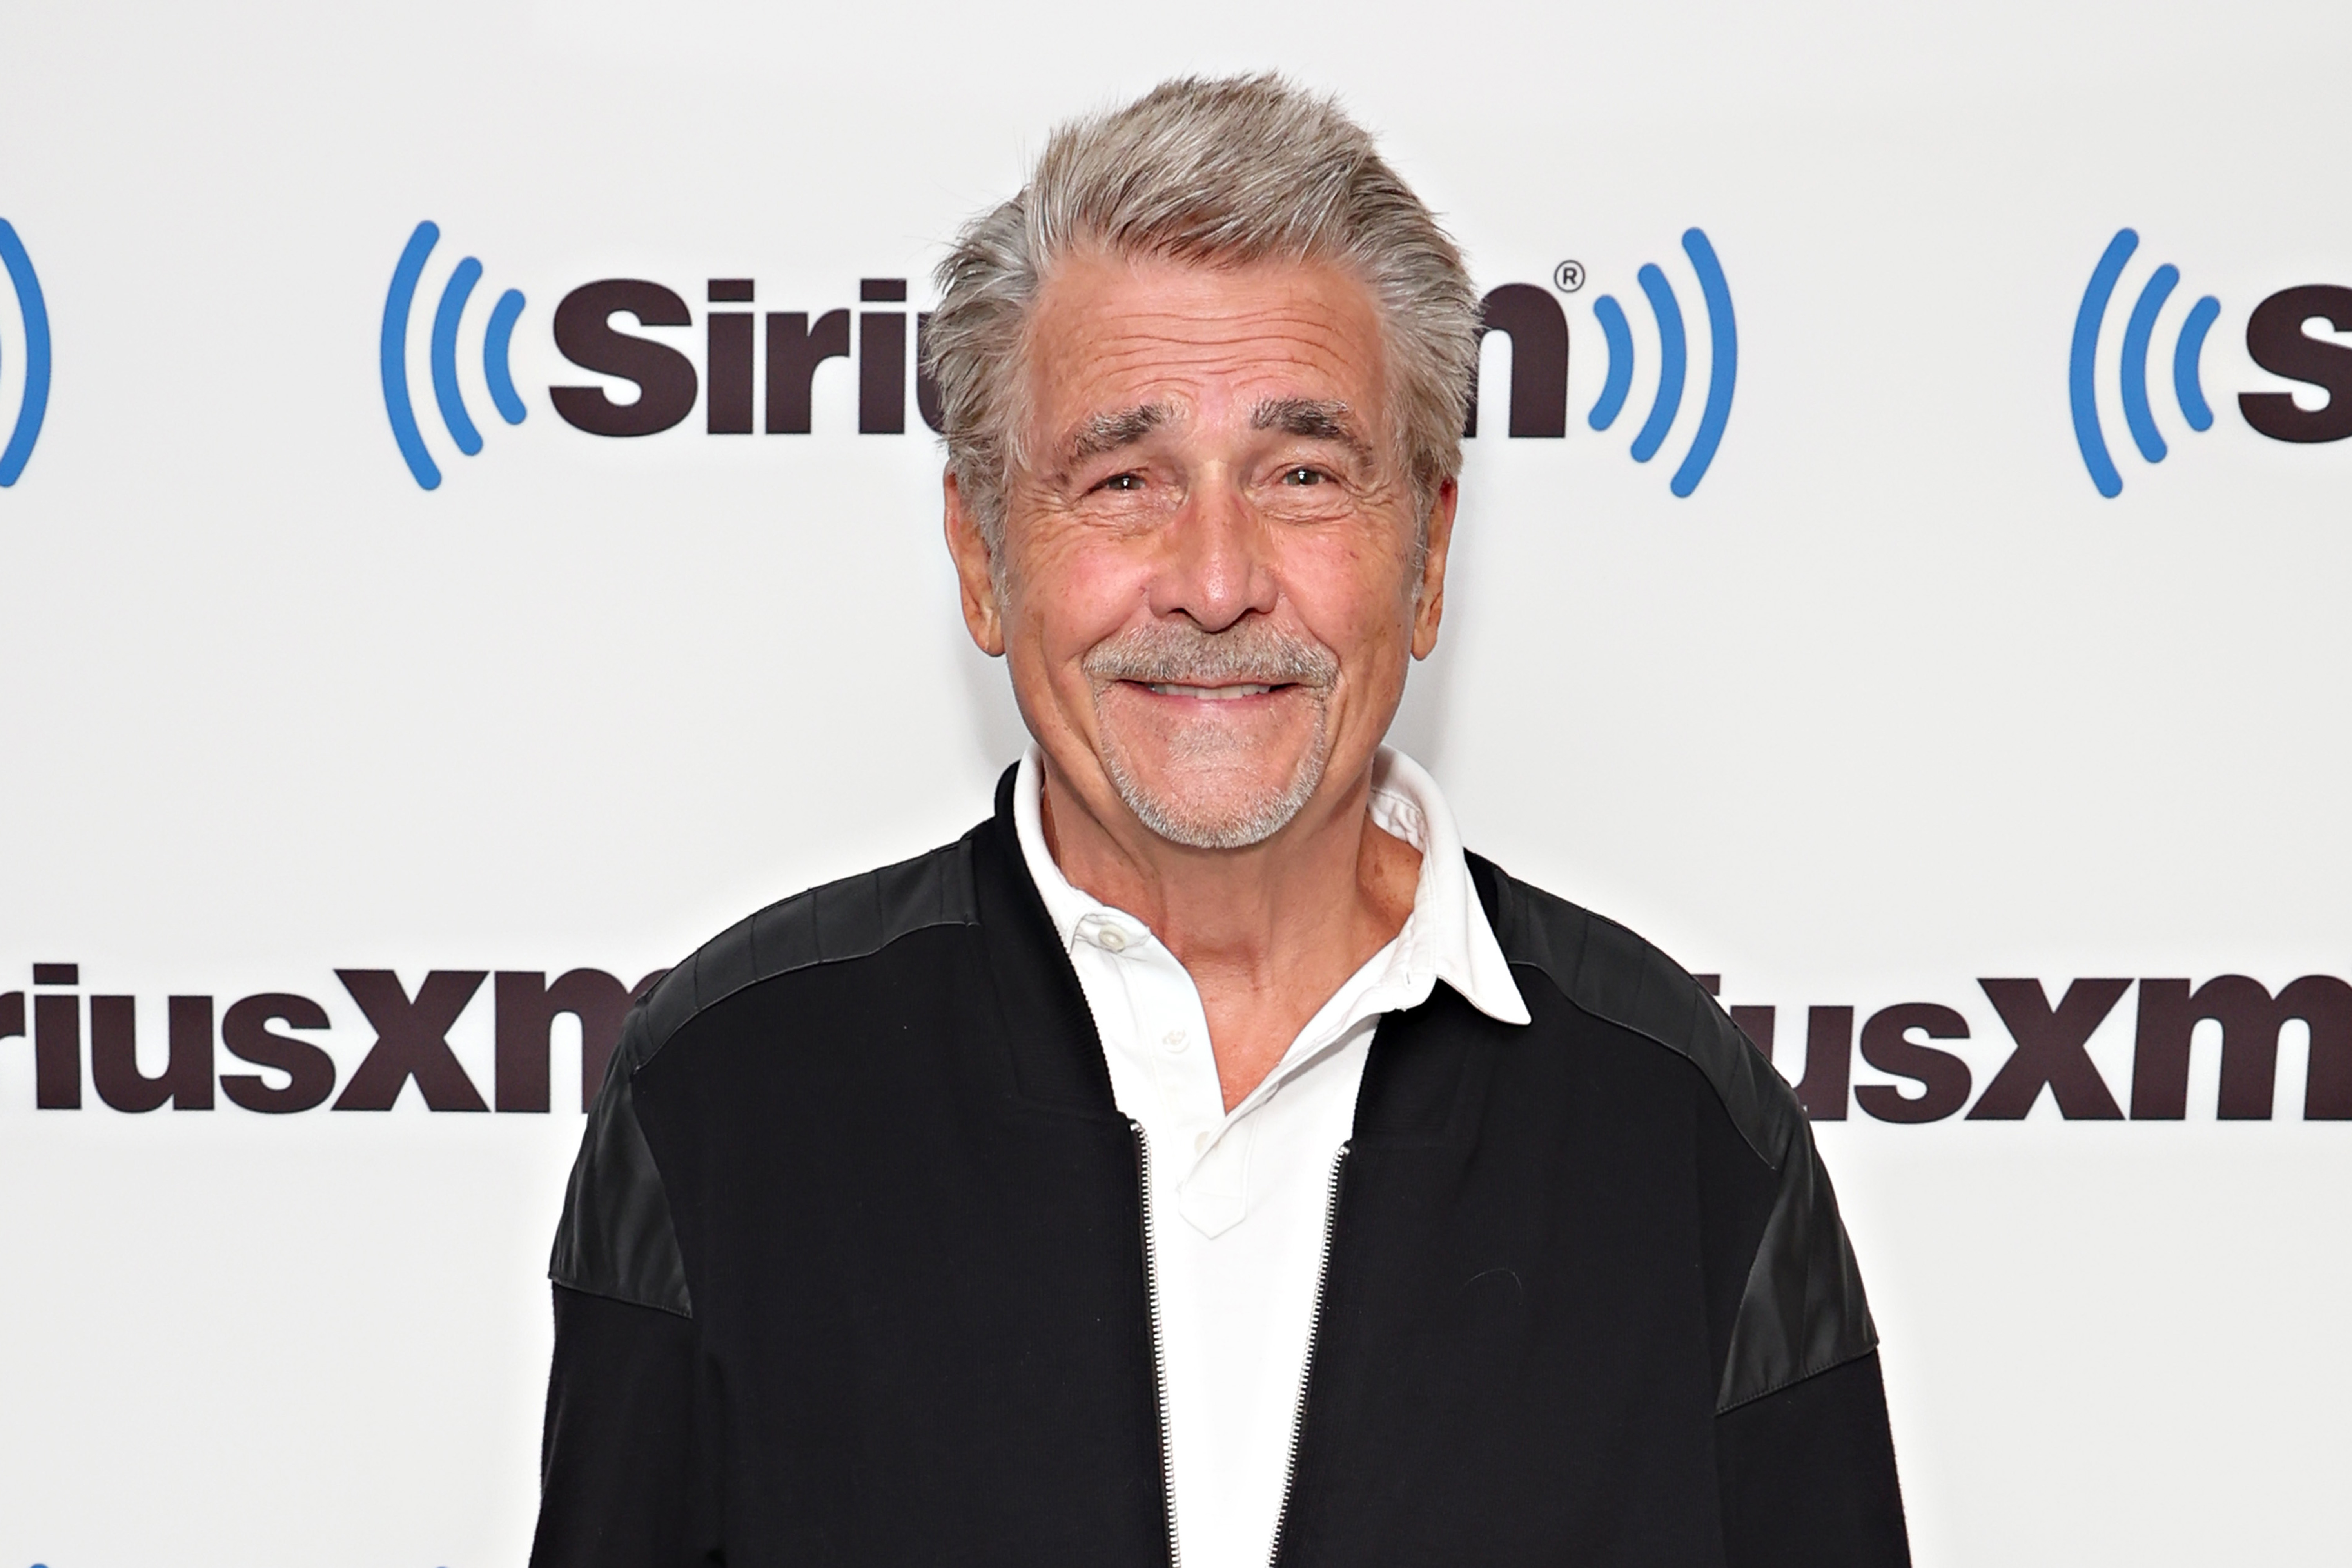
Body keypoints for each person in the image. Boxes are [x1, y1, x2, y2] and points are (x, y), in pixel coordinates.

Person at [528, 74, 1910, 1568]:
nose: (1214, 577)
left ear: (1429, 555)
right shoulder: (731, 1089)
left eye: (1303, 475)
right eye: (1123, 480)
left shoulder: (1685, 1129)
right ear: (982, 559)